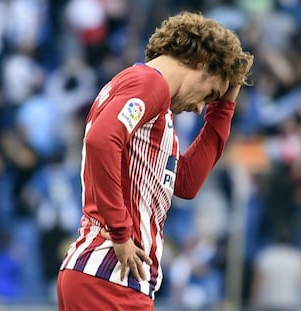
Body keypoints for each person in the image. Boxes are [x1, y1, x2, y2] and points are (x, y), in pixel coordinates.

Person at [57, 11, 253, 310]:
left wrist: (223, 108)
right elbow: (101, 140)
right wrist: (122, 234)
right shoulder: (150, 84)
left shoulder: (157, 108)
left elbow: (186, 183)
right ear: (202, 62)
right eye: (209, 94)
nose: (201, 108)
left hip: (111, 277)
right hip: (111, 275)